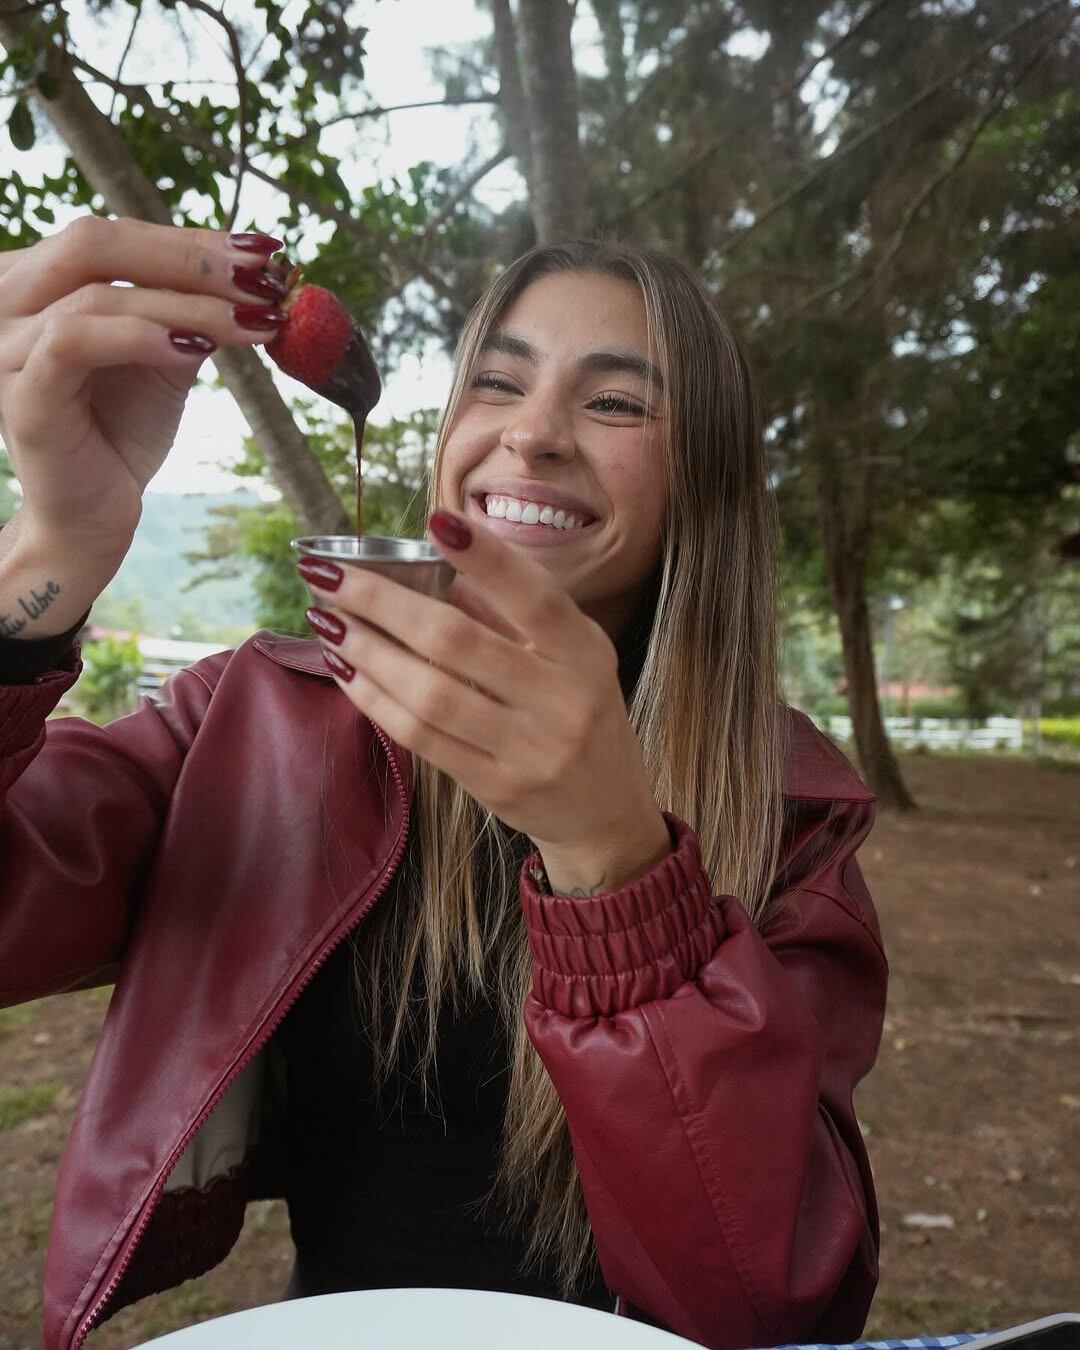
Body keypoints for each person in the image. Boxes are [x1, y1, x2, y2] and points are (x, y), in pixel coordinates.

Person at [0, 218, 887, 1350]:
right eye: (497, 383)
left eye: (615, 403)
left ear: (702, 475)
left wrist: (615, 860)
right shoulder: (252, 720)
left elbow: (777, 1301)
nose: (532, 434)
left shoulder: (794, 814)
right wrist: (48, 554)